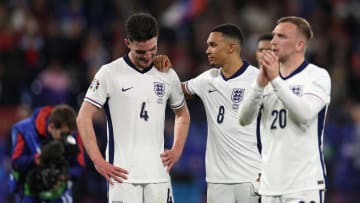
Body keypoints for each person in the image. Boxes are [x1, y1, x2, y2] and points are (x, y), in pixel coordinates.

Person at [76, 12, 190, 203]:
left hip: (158, 177)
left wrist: (177, 149)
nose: (147, 56)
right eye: (141, 52)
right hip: (123, 178)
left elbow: (183, 115)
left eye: (152, 49)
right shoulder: (109, 73)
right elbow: (83, 117)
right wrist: (97, 160)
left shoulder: (167, 74)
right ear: (127, 43)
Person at [154, 23, 261, 203]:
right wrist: (166, 73)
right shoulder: (208, 79)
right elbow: (173, 91)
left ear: (231, 47)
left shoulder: (257, 80)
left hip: (251, 178)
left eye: (213, 45)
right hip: (217, 182)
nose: (207, 50)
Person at [238, 16, 331, 203]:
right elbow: (243, 119)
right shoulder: (264, 79)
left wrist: (275, 81)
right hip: (269, 187)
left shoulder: (317, 76)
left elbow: (304, 114)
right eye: (273, 36)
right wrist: (258, 85)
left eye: (281, 36)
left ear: (299, 45)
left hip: (303, 186)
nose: (273, 42)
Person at [10, 104, 85, 203]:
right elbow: (16, 162)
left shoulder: (73, 134)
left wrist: (65, 175)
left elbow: (80, 166)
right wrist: (37, 159)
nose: (67, 137)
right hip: (29, 191)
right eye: (63, 134)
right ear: (51, 127)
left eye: (69, 134)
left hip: (59, 193)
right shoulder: (24, 130)